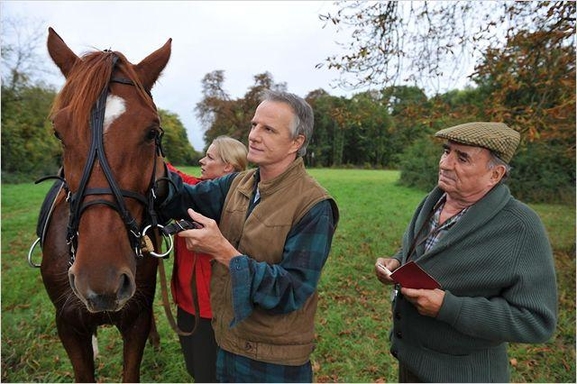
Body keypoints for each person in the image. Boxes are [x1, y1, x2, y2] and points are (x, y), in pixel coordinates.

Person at [157, 89, 339, 382]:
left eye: (268, 129)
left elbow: (291, 290)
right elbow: (184, 199)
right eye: (254, 125)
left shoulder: (314, 205)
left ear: (297, 142)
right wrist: (145, 159)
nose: (254, 135)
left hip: (273, 359)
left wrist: (224, 253)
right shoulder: (239, 183)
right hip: (226, 341)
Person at [375, 122, 558, 382]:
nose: (445, 164)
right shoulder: (435, 200)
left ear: (495, 174)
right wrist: (396, 261)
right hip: (411, 363)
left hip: (463, 374)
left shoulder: (520, 227)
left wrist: (449, 308)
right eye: (446, 151)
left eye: (462, 158)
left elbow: (536, 321)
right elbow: (426, 251)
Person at [166, 136, 248, 383]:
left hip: (211, 309)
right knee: (194, 368)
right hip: (186, 302)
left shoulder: (232, 201)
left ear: (228, 168)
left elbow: (177, 182)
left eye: (210, 157)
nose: (202, 160)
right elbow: (174, 177)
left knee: (207, 375)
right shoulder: (197, 189)